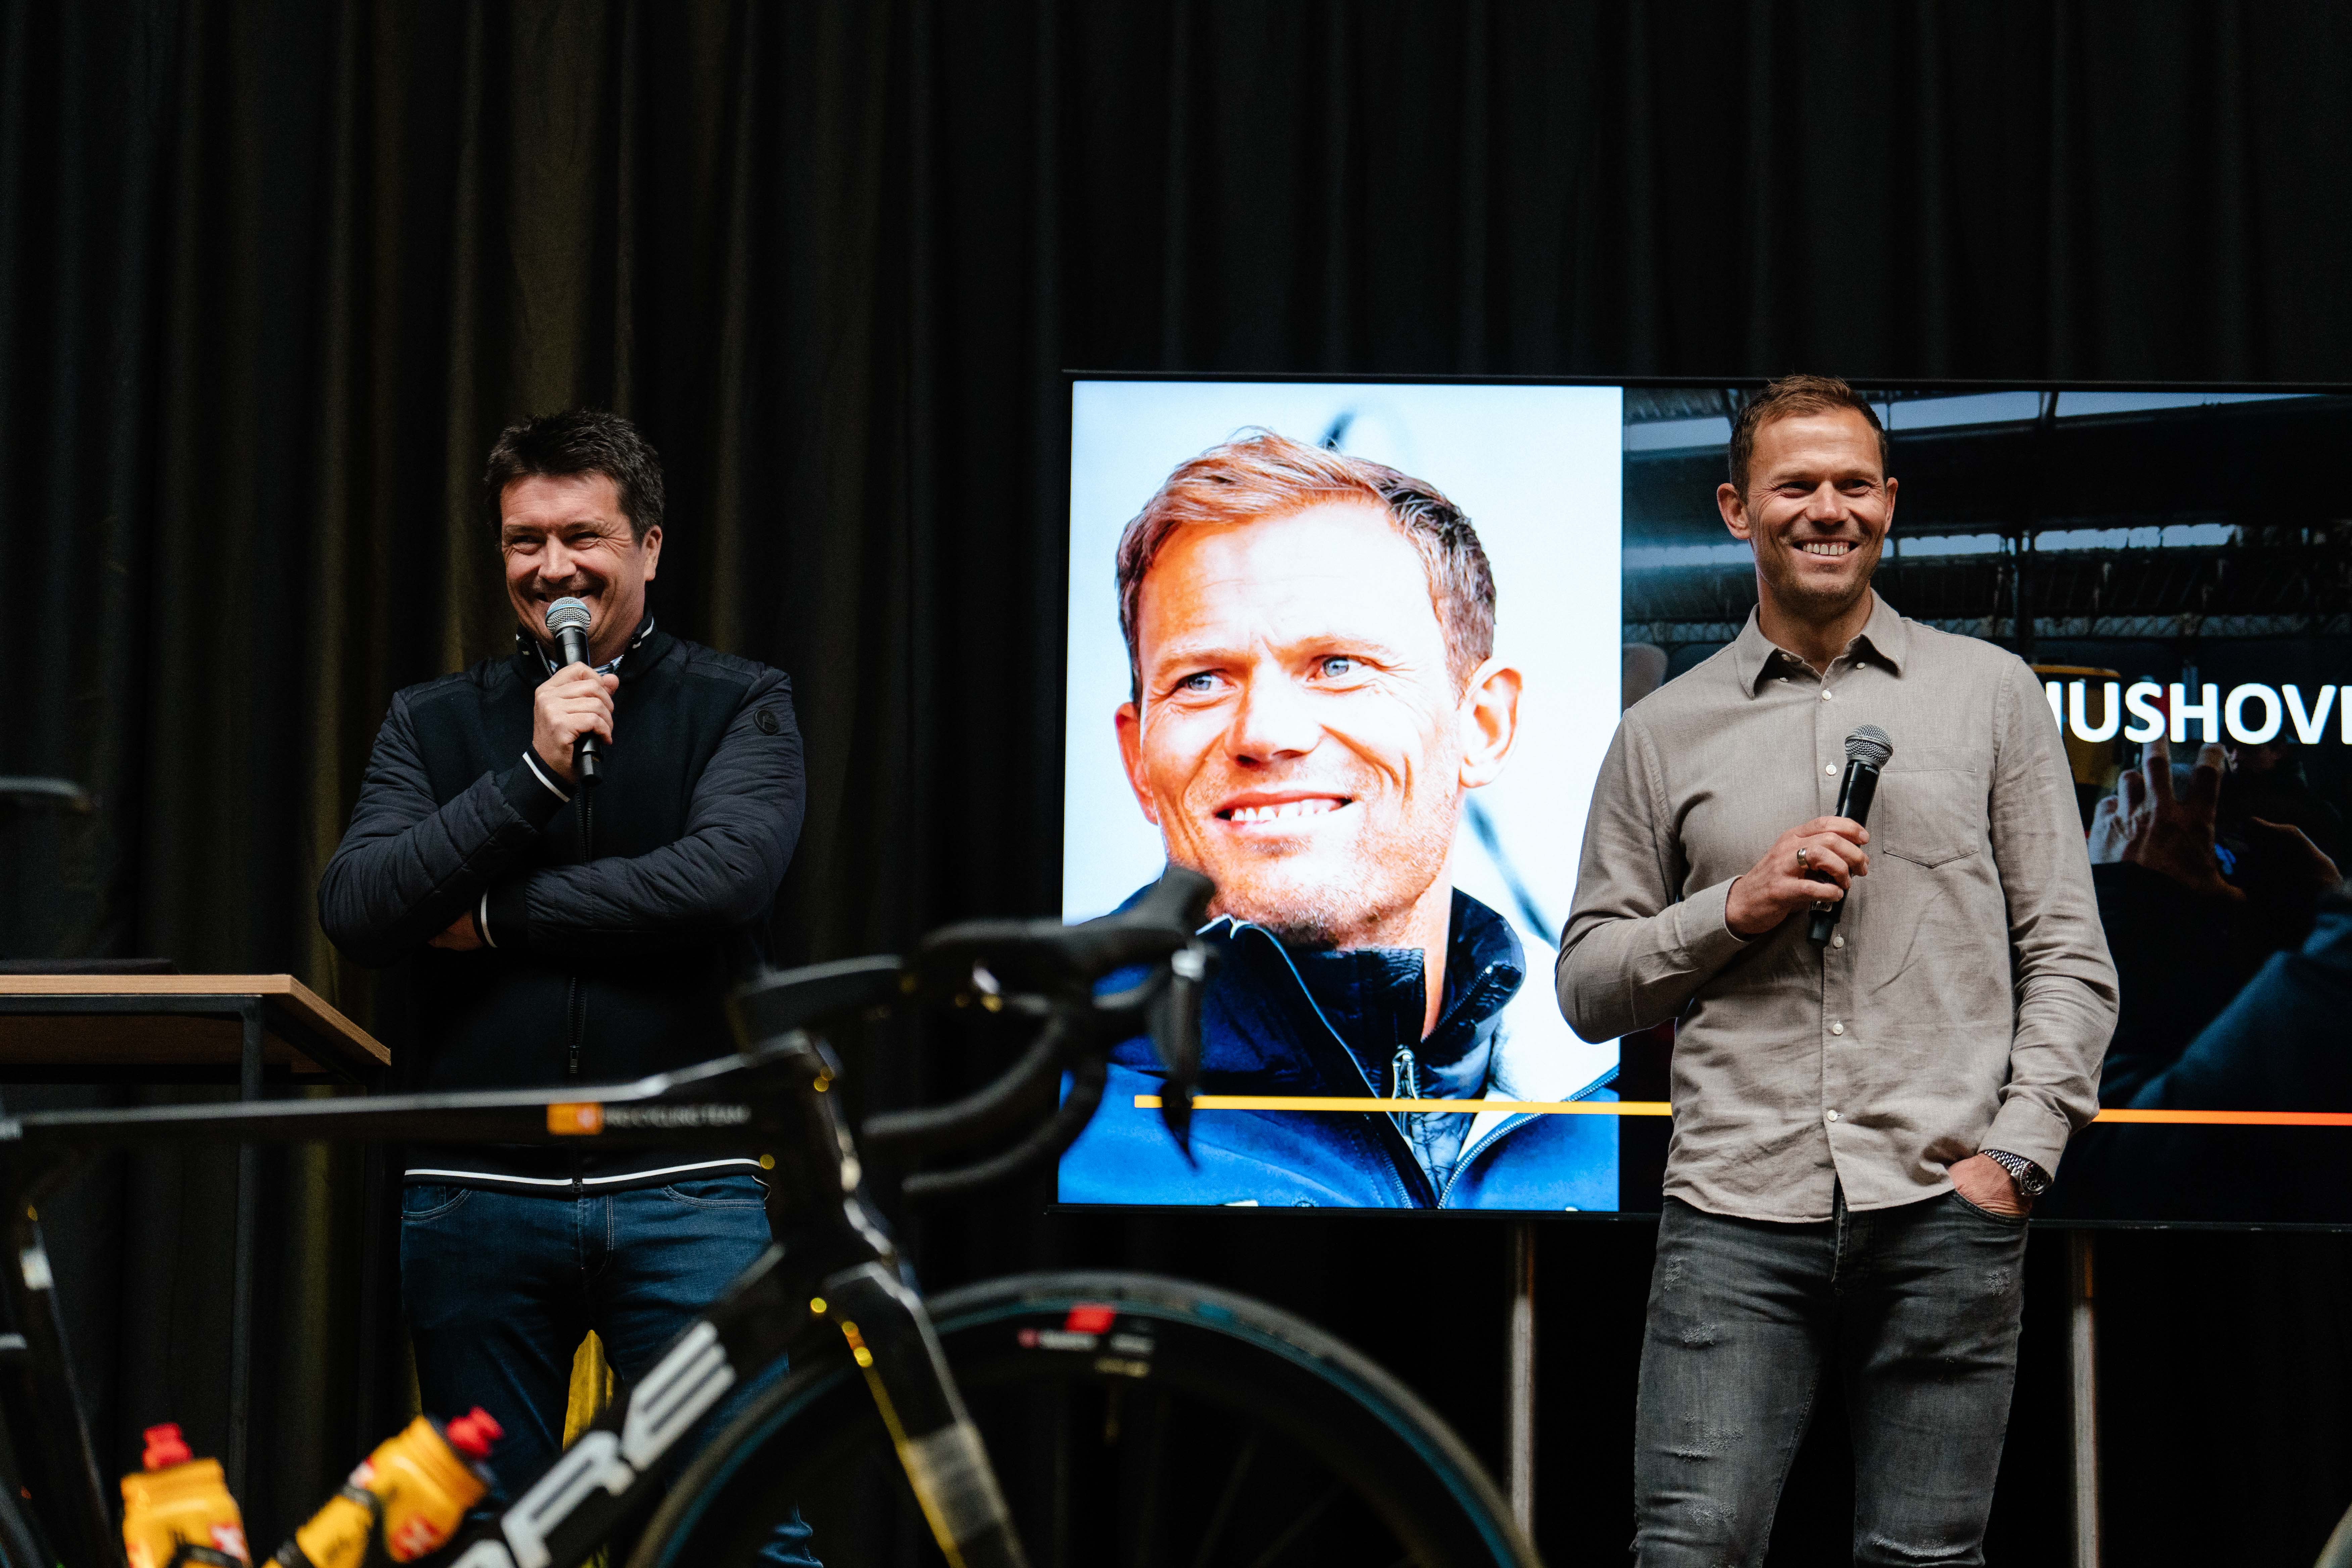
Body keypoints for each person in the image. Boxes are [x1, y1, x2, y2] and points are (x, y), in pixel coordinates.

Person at [1557, 375, 2117, 1565]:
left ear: (1888, 503)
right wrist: (1734, 905)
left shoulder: (1990, 695)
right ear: (1736, 510)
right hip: (1731, 1214)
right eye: (1796, 485)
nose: (1828, 509)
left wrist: (2015, 1159)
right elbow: (1589, 987)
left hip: (1943, 1210)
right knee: (1690, 1551)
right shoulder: (1660, 731)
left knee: (1925, 1560)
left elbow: (2069, 957)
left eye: (1854, 485)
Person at [317, 410, 817, 1564]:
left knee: (739, 1523)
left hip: (689, 1186)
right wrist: (532, 777)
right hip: (474, 1192)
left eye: (581, 537)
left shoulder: (739, 702)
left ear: (648, 545)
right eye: (523, 541)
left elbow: (721, 881)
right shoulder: (433, 721)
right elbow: (360, 907)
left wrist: (494, 918)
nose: (552, 570)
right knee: (487, 1540)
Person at [1058, 429, 1615, 1210]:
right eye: (1203, 679)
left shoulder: (1652, 1093)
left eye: (1339, 666)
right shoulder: (1022, 1102)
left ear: (1483, 725)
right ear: (1137, 758)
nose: (1264, 732)